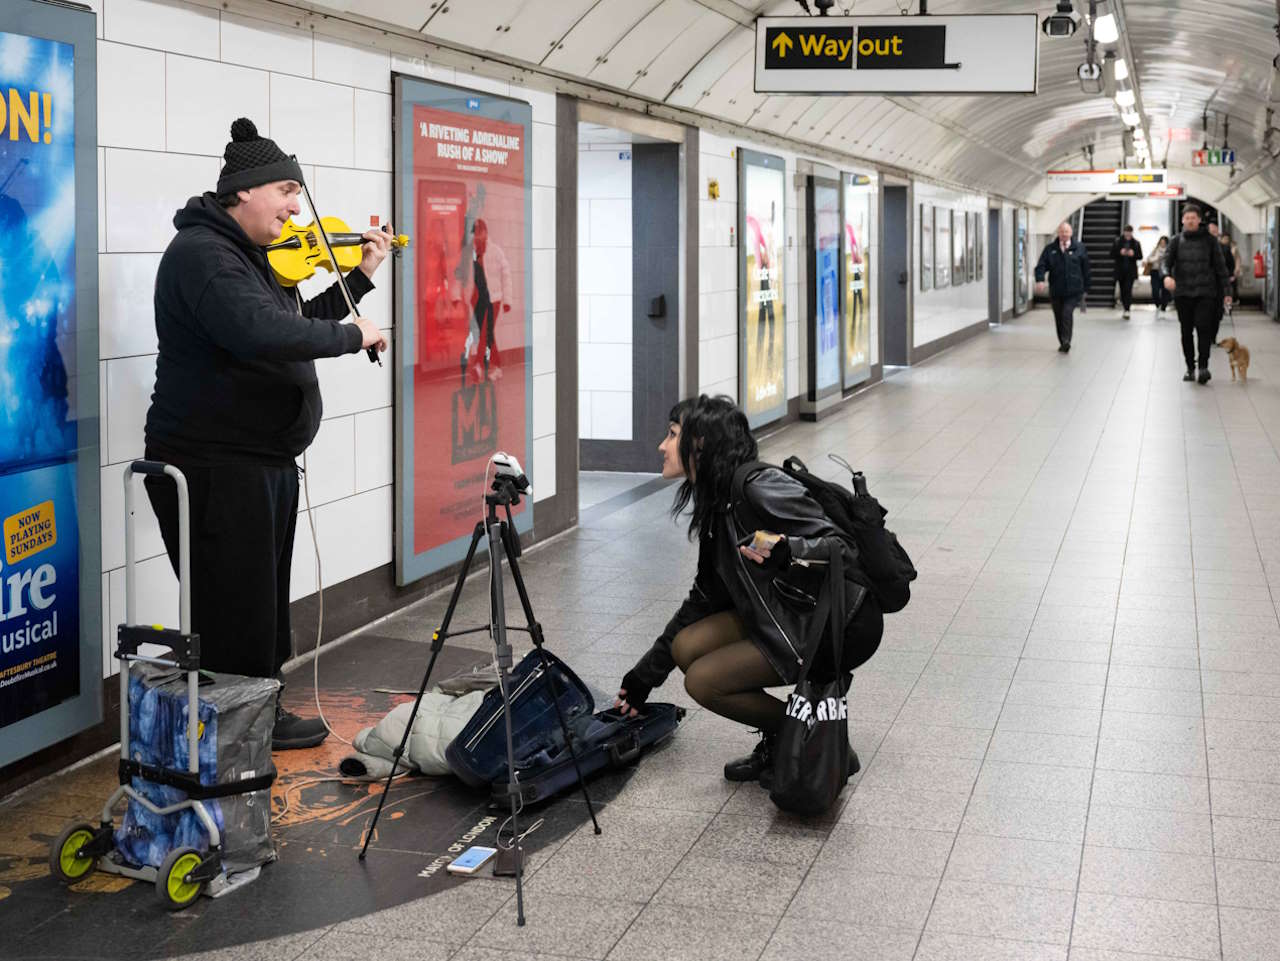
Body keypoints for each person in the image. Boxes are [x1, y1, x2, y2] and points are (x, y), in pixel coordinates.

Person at [144, 118, 390, 750]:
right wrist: (352, 336)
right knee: (233, 606)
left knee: (259, 601)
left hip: (257, 462)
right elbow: (262, 333)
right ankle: (237, 729)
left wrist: (359, 276)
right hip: (214, 465)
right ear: (244, 191)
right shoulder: (204, 255)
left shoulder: (247, 256)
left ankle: (258, 713)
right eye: (286, 190)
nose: (295, 208)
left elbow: (294, 319)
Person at [612, 395, 884, 786]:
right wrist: (644, 676)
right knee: (685, 646)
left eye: (672, 435)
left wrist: (789, 551)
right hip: (788, 614)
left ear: (700, 444)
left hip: (837, 621)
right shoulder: (718, 500)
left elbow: (843, 545)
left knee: (703, 681)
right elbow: (703, 597)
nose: (662, 445)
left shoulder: (758, 486)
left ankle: (815, 737)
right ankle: (783, 737)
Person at [1164, 204, 1231, 385]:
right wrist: (1166, 276)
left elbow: (1220, 267)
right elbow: (1166, 262)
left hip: (1205, 292)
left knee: (1204, 329)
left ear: (1199, 220)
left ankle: (1203, 367)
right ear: (1182, 220)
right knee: (1186, 331)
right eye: (1187, 218)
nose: (1190, 220)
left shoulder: (1210, 241)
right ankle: (1189, 368)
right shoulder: (1176, 241)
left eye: (1194, 217)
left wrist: (1227, 292)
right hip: (1183, 293)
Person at [462, 217, 512, 383]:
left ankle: (478, 365)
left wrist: (507, 300)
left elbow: (506, 275)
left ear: (485, 232)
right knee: (487, 333)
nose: (477, 236)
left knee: (485, 331)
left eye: (480, 233)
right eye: (474, 234)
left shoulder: (495, 251)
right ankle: (497, 367)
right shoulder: (471, 252)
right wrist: (459, 297)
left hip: (494, 299)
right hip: (477, 300)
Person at [1034, 221, 1091, 353]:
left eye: (1066, 232)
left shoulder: (1080, 248)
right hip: (1056, 290)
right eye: (1062, 232)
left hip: (1074, 290)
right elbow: (1041, 266)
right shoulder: (1050, 249)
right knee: (1059, 316)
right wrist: (1040, 280)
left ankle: (1066, 341)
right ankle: (1062, 341)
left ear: (1071, 233)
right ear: (1058, 233)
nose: (1064, 234)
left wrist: (1086, 288)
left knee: (1066, 313)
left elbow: (1086, 269)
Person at [1109, 225, 1143, 319]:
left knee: (1128, 289)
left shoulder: (1136, 243)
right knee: (1123, 290)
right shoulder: (1117, 242)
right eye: (1126, 231)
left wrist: (1133, 254)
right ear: (1124, 232)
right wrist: (1120, 252)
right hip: (1120, 271)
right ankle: (1125, 307)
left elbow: (1140, 256)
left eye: (1129, 232)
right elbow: (1111, 254)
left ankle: (1127, 309)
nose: (1128, 233)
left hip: (1130, 271)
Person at [1145, 236, 1170, 313]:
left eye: (1164, 242)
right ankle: (1157, 304)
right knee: (1155, 290)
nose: (1162, 244)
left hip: (1165, 272)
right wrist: (1156, 258)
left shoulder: (1169, 250)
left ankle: (1163, 306)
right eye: (1161, 242)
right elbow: (1148, 259)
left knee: (1165, 290)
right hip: (1155, 271)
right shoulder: (1155, 250)